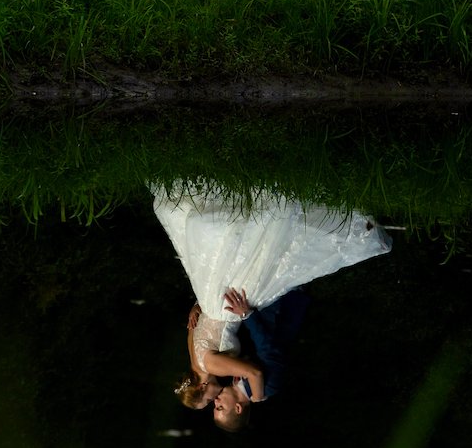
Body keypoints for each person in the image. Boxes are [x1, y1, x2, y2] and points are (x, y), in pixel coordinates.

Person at [151, 183, 392, 426]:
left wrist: (258, 397)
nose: (214, 401)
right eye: (216, 406)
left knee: (269, 256)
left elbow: (253, 372)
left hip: (234, 308)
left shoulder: (214, 366)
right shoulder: (195, 358)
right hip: (212, 299)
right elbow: (194, 326)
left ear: (203, 387)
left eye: (209, 402)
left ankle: (335, 221)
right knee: (254, 256)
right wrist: (197, 306)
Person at [212, 286, 310, 433]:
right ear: (238, 408)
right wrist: (246, 314)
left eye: (214, 406)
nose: (215, 401)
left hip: (258, 301)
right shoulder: (269, 387)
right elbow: (268, 348)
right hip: (282, 303)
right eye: (220, 407)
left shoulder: (234, 378)